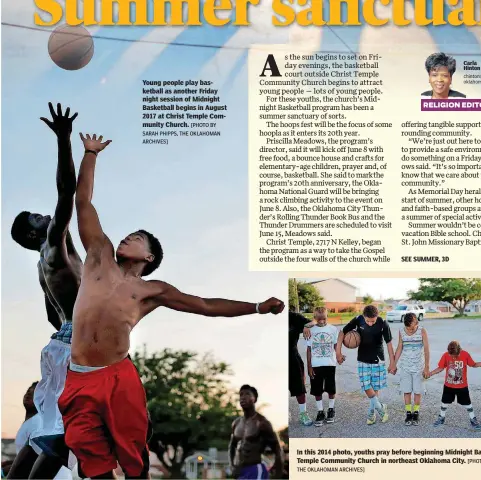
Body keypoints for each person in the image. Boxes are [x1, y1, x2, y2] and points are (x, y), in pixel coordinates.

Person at [57, 133, 285, 480]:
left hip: (117, 377)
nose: (126, 238)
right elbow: (83, 202)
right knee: (85, 447)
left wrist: (256, 306)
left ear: (148, 256)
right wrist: (90, 154)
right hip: (79, 377)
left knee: (133, 456)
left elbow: (206, 304)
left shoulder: (152, 289)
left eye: (136, 238)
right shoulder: (98, 255)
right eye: (127, 234)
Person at [9, 103, 83, 479]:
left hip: (60, 341)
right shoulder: (53, 244)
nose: (46, 214)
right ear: (33, 234)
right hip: (76, 345)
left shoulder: (46, 265)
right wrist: (64, 139)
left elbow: (50, 315)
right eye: (37, 218)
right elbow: (66, 191)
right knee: (64, 437)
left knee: (48, 433)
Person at [336, 305, 396, 425]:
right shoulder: (358, 319)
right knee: (365, 386)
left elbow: (389, 344)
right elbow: (342, 332)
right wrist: (338, 352)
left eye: (372, 321)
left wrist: (393, 363)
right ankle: (381, 408)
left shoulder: (383, 323)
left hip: (378, 360)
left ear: (377, 316)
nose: (369, 323)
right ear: (364, 317)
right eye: (367, 321)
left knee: (375, 388)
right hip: (362, 359)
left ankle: (371, 413)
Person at [5, 382, 72, 480]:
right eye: (29, 390)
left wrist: (5, 472)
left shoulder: (39, 422)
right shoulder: (32, 422)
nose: (29, 392)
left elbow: (43, 459)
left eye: (36, 391)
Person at [229, 385, 284, 479]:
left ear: (254, 399)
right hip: (240, 471)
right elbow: (232, 446)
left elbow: (277, 449)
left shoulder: (262, 423)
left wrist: (278, 473)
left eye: (247, 394)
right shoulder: (236, 423)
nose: (243, 397)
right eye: (241, 394)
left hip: (255, 469)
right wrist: (232, 466)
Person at [429, 341, 481, 430]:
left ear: (459, 350)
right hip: (449, 385)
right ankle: (441, 417)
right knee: (444, 402)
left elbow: (473, 364)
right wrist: (431, 373)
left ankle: (472, 419)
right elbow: (441, 367)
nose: (454, 357)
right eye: (452, 356)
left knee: (468, 403)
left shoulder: (465, 354)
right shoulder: (446, 355)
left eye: (455, 355)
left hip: (462, 386)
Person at [306, 307, 341, 426]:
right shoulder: (310, 330)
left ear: (327, 317)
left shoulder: (332, 329)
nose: (321, 321)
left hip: (330, 363)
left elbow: (336, 345)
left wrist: (339, 356)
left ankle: (331, 409)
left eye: (324, 319)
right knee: (317, 390)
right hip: (316, 365)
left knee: (331, 388)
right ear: (314, 318)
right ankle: (320, 411)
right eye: (319, 319)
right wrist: (309, 366)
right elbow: (309, 349)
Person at [394, 312, 430, 426]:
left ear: (417, 323)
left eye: (411, 328)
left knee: (418, 391)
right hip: (405, 366)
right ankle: (409, 413)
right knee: (407, 391)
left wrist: (426, 367)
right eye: (407, 329)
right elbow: (399, 347)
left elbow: (426, 350)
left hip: (419, 367)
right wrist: (393, 364)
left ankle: (416, 413)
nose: (409, 331)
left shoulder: (422, 331)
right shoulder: (401, 331)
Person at [288, 310, 314, 426]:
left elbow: (313, 322)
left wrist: (306, 326)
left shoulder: (293, 316)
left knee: (299, 387)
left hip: (292, 356)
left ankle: (303, 413)